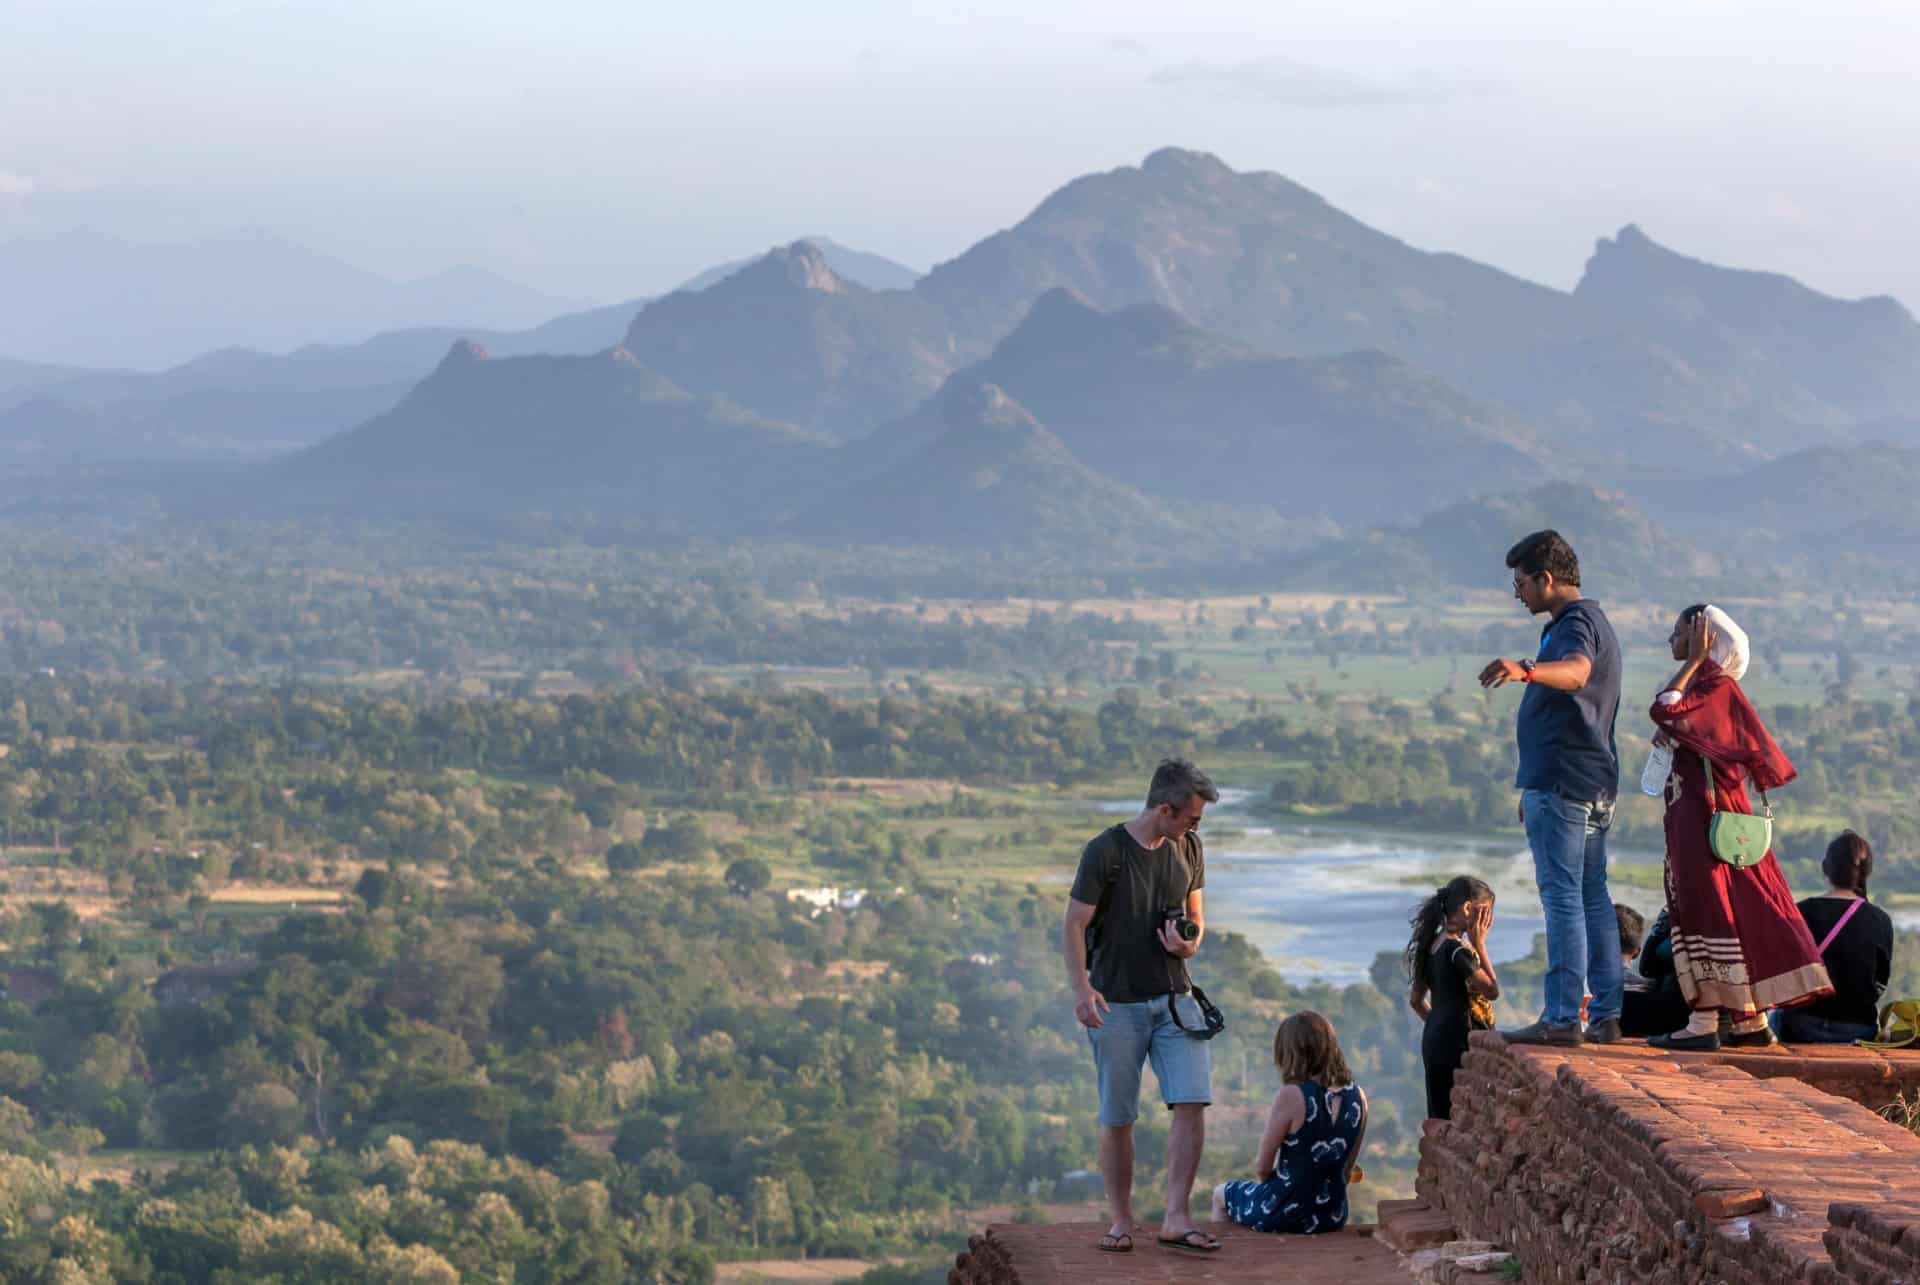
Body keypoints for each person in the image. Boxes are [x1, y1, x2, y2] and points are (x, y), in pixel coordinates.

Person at [1645, 606, 1831, 1050]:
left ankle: (1705, 1021)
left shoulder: (1715, 687)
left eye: (1680, 632)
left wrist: (1695, 662)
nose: (1671, 640)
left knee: (1705, 906)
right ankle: (1748, 1023)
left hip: (1705, 819)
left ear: (1704, 638)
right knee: (1713, 905)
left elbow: (1664, 710)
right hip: (1698, 817)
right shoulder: (1708, 690)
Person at [1063, 758, 1221, 1255]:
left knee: (1192, 1100)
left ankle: (1176, 1217)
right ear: (1165, 809)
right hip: (1117, 1003)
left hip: (1176, 997)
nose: (1197, 827)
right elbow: (1073, 925)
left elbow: (1196, 919)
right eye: (1191, 817)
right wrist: (1082, 990)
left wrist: (1187, 946)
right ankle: (1122, 1221)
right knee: (1119, 1115)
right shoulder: (1106, 852)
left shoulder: (1189, 848)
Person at [1479, 530, 1624, 1046]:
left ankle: (1563, 1017)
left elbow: (1578, 673)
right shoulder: (1589, 621)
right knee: (1591, 896)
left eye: (1521, 583)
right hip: (1584, 779)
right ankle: (1606, 1013)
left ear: (1546, 578)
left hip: (1566, 783)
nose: (1518, 593)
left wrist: (1527, 671)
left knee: (1563, 897)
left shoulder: (1576, 625)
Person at [1211, 1011, 1368, 1235]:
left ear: (1289, 1053)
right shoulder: (1359, 1096)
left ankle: (1233, 1257)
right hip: (1332, 1214)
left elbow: (1263, 1168)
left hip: (1285, 1212)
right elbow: (1346, 1169)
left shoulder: (1292, 1095)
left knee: (1220, 1194)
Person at [1778, 831, 1893, 1044]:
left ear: (1825, 869)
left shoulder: (1800, 912)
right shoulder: (1880, 919)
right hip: (1858, 1029)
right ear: (1865, 872)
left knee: (1774, 1017)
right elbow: (1880, 982)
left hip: (1801, 1025)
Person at [1406, 877, 1500, 1120]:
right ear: (1468, 909)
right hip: (1458, 1040)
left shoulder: (1431, 947)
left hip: (1434, 1039)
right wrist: (1480, 943)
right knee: (1461, 1115)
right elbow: (1491, 990)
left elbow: (1416, 1001)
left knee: (1439, 1114)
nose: (1489, 922)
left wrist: (1438, 1022)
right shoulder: (1457, 950)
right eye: (1486, 914)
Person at [1621, 906, 1694, 1038]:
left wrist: (1662, 925)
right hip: (1724, 1018)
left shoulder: (1682, 911)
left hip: (1680, 1014)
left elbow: (1647, 968)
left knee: (1618, 1003)